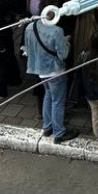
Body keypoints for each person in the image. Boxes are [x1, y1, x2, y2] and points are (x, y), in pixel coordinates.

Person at [24, 11, 75, 141]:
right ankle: (59, 132)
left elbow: (28, 48)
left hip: (39, 69)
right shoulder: (57, 31)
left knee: (47, 95)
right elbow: (63, 54)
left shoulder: (30, 27)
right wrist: (66, 42)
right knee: (57, 101)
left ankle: (47, 127)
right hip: (55, 70)